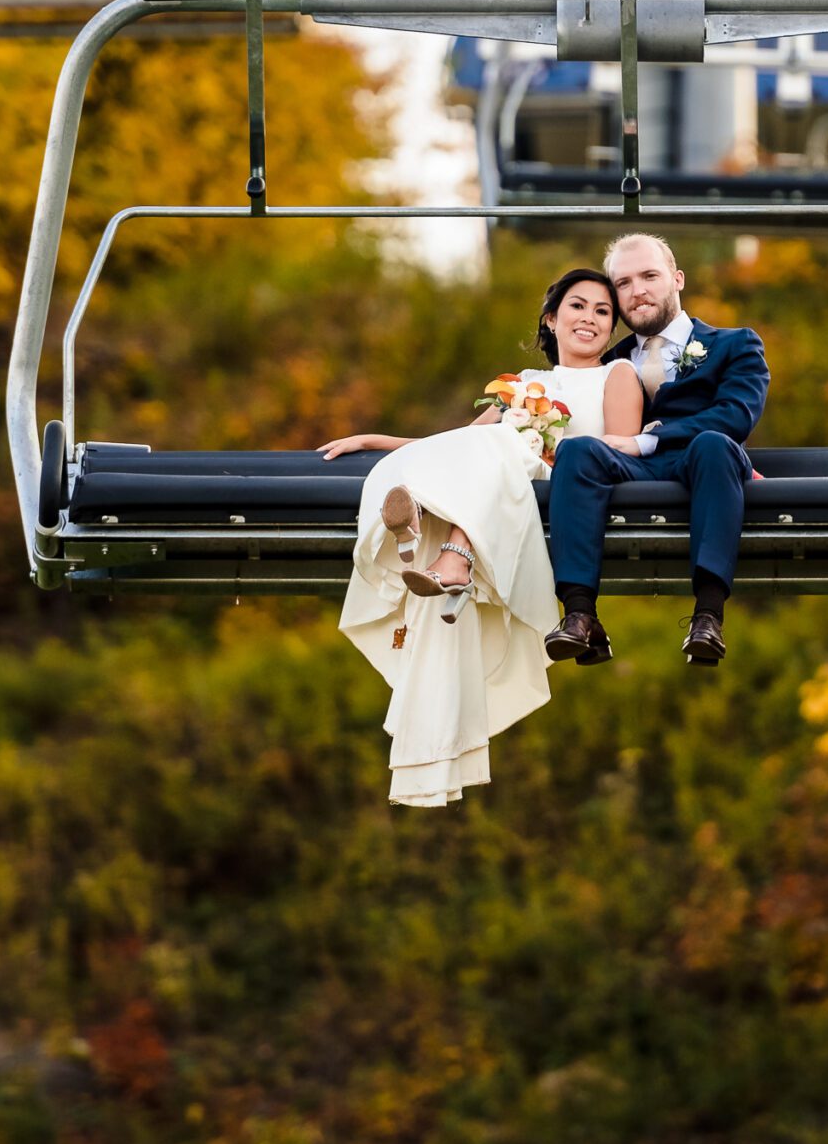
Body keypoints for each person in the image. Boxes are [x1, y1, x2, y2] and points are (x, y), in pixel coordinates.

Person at [319, 269, 644, 807]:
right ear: (551, 318)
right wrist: (379, 440)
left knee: (507, 449)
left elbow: (620, 447)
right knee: (490, 448)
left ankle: (446, 550)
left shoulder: (618, 376)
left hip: (564, 479)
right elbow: (460, 445)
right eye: (577, 306)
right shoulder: (521, 383)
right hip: (500, 481)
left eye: (602, 312)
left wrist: (547, 445)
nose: (588, 318)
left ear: (611, 329)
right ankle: (439, 551)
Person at [544, 234, 769, 670]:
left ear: (677, 279)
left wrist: (646, 440)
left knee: (712, 444)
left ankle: (707, 616)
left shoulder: (735, 344)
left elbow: (735, 415)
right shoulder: (610, 361)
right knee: (578, 451)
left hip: (706, 464)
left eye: (649, 276)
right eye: (623, 283)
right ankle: (580, 614)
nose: (638, 290)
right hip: (632, 471)